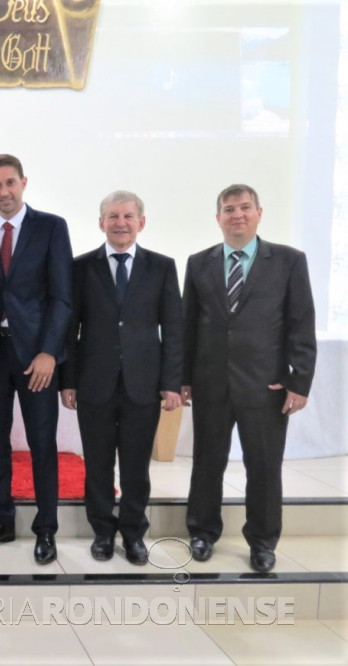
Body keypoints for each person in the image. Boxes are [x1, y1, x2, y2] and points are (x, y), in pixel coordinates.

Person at [183, 184, 316, 573]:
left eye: (244, 207)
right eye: (228, 209)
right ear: (218, 218)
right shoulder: (198, 262)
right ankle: (203, 532)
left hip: (266, 386)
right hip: (210, 384)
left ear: (259, 213)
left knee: (263, 466)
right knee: (207, 462)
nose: (236, 214)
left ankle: (262, 541)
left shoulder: (289, 261)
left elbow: (301, 323)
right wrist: (184, 377)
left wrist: (299, 380)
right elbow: (189, 324)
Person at [60, 191, 183, 564]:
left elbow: (174, 329)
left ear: (141, 222)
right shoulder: (80, 268)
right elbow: (70, 329)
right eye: (112, 216)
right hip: (94, 383)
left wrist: (171, 383)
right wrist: (68, 380)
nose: (120, 222)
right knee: (97, 465)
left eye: (128, 216)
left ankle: (133, 534)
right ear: (101, 223)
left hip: (143, 385)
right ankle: (102, 532)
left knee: (134, 467)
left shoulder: (162, 267)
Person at [0, 154, 73, 564]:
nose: (4, 192)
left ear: (23, 183)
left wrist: (49, 352)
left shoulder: (51, 226)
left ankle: (46, 528)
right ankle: (1, 522)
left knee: (42, 443)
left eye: (10, 183)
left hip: (36, 359)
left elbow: (63, 297)